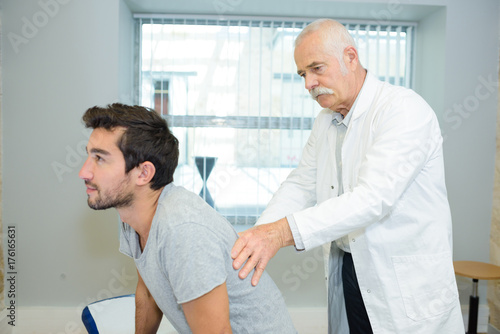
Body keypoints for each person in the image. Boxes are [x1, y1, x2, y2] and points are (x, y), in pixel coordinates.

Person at [231, 19, 464, 334]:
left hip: (403, 283)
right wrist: (256, 237)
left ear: (350, 58)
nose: (308, 84)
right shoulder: (326, 121)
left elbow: (372, 198)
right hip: (349, 269)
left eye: (316, 69)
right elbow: (301, 185)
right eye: (303, 74)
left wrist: (281, 233)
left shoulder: (403, 110)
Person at [78, 103, 296, 334]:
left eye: (100, 159)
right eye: (89, 156)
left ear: (143, 173)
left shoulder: (182, 230)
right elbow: (150, 291)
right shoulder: (132, 213)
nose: (84, 172)